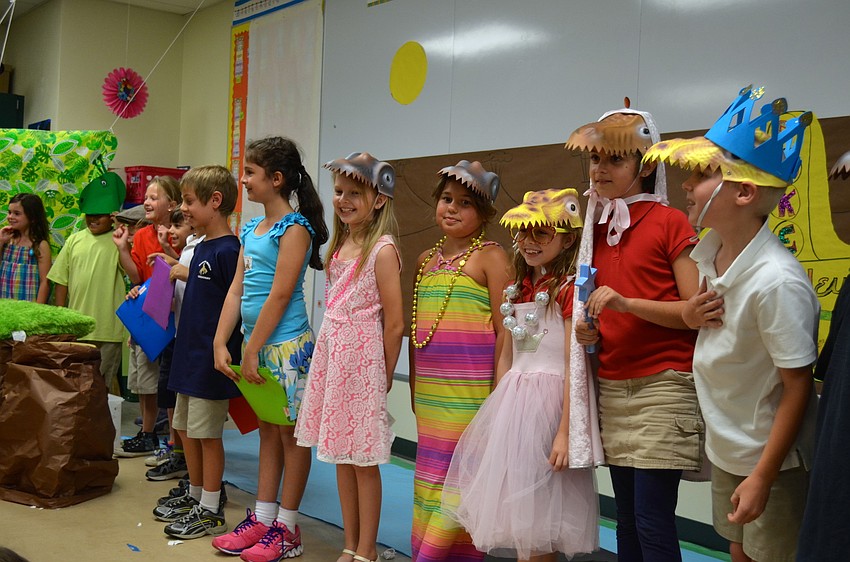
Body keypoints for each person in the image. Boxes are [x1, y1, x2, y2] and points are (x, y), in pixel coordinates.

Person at [644, 85, 819, 562]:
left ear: (742, 192)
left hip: (771, 460)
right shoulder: (709, 256)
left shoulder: (776, 282)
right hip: (728, 448)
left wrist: (762, 474)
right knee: (737, 550)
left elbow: (797, 386)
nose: (685, 185)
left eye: (702, 175)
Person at [566, 104, 702, 561]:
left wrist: (624, 304)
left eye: (615, 160)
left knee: (651, 518)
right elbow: (600, 311)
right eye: (596, 159)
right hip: (612, 385)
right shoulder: (595, 230)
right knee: (623, 519)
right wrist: (591, 333)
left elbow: (694, 311)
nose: (601, 169)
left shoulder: (670, 222)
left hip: (664, 385)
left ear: (644, 167)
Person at [442, 188, 598, 562]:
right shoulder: (518, 290)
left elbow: (572, 364)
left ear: (569, 238)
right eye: (524, 233)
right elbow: (506, 358)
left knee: (542, 515)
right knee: (520, 516)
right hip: (515, 406)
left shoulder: (566, 290)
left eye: (542, 233)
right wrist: (496, 415)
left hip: (549, 409)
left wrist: (565, 432)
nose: (529, 242)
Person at [211, 137, 329, 561]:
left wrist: (251, 349)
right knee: (267, 432)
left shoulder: (295, 228)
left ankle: (288, 527)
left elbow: (280, 297)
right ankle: (263, 517)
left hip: (286, 350)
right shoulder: (250, 229)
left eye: (250, 173)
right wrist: (222, 339)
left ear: (276, 179)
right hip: (255, 349)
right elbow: (236, 291)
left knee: (291, 438)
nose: (243, 179)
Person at [295, 152, 404, 562]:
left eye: (354, 193)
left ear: (378, 199)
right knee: (341, 453)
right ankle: (350, 544)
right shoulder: (341, 243)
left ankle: (367, 549)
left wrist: (386, 373)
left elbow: (394, 324)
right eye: (339, 191)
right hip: (334, 357)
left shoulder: (383, 249)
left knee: (363, 459)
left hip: (362, 362)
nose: (343, 200)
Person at [409, 160, 510, 562]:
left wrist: (499, 391)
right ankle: (425, 548)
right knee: (430, 479)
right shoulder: (424, 262)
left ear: (483, 214)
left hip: (469, 396)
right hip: (431, 397)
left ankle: (434, 557)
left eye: (465, 203)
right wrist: (415, 388)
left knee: (460, 478)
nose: (451, 208)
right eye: (446, 199)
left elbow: (506, 330)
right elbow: (417, 334)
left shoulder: (491, 257)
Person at [150, 165, 243, 540]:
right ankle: (194, 494)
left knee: (207, 435)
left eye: (188, 202)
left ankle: (210, 507)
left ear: (215, 202)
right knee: (186, 428)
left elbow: (232, 305)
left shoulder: (228, 250)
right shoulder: (201, 246)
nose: (183, 210)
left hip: (209, 362)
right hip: (187, 355)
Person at [113, 176, 181, 457]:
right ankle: (147, 433)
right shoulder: (141, 235)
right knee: (142, 379)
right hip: (147, 314)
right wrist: (122, 249)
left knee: (160, 381)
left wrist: (167, 245)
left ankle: (163, 438)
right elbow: (137, 276)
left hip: (172, 316)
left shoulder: (180, 234)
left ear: (172, 204)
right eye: (147, 197)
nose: (147, 202)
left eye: (155, 197)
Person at [48, 170, 127, 394]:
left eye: (100, 214)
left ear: (112, 215)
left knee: (103, 385)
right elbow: (60, 279)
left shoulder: (119, 242)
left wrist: (124, 241)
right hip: (78, 327)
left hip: (109, 328)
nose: (93, 219)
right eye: (89, 214)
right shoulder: (74, 240)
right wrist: (62, 316)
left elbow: (133, 271)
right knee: (75, 383)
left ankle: (104, 428)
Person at [143, 208, 197, 482]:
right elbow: (174, 295)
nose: (173, 230)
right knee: (169, 396)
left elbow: (208, 286)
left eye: (179, 224)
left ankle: (188, 464)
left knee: (189, 409)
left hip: (193, 341)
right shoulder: (188, 251)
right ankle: (178, 452)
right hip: (176, 337)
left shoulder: (209, 249)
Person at [0, 193, 51, 303]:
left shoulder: (40, 245)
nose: (10, 217)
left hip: (28, 305)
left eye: (17, 213)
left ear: (32, 218)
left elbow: (45, 282)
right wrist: (0, 242)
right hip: (4, 303)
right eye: (9, 212)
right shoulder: (7, 240)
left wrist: (37, 309)